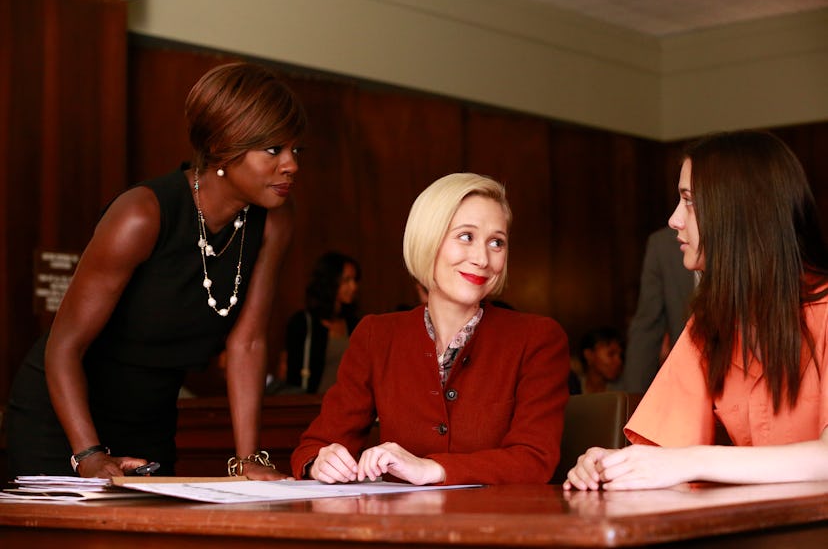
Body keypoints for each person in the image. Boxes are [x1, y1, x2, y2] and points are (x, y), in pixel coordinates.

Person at [3, 62, 306, 480]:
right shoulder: (141, 216)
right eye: (274, 150)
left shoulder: (274, 221)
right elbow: (64, 345)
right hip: (63, 420)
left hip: (151, 420)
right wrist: (88, 453)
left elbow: (248, 343)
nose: (291, 164)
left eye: (296, 150)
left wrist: (248, 458)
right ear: (221, 146)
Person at [564, 130, 828, 491]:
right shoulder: (710, 323)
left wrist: (693, 460)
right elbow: (661, 453)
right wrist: (608, 466)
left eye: (688, 201)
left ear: (739, 210)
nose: (674, 219)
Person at [290, 173, 570, 485]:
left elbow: (534, 460)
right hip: (400, 528)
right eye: (466, 236)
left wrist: (429, 469)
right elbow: (315, 445)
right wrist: (322, 461)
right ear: (428, 239)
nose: (482, 258)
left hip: (497, 527)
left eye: (496, 242)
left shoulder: (538, 339)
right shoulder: (376, 336)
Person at [620, 226, 695, 394]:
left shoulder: (756, 232)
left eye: (688, 201)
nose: (674, 220)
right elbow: (647, 328)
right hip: (687, 391)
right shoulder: (663, 245)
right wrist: (633, 405)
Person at [283, 251, 361, 394]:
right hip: (312, 404)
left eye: (355, 280)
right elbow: (289, 370)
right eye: (347, 280)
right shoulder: (303, 323)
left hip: (347, 404)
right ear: (331, 282)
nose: (353, 287)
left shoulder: (354, 324)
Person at [577, 327, 624, 394]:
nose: (619, 361)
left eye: (620, 355)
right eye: (611, 354)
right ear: (589, 355)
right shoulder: (571, 387)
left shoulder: (620, 393)